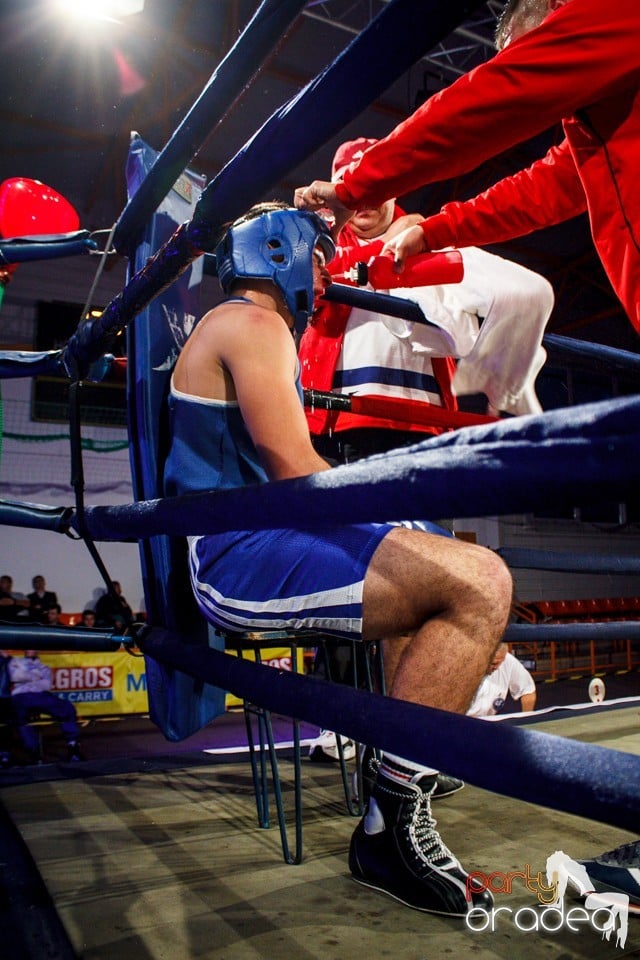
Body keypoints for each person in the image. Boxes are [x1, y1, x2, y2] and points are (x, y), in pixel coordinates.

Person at [163, 200, 513, 917]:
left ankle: (405, 760)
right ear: (281, 250)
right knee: (475, 580)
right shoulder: (251, 322)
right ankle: (390, 821)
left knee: (445, 562)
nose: (325, 276)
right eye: (318, 257)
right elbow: (296, 469)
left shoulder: (255, 329)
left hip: (272, 538)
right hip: (239, 559)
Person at [294, 0, 640, 335]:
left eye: (533, 50)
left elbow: (493, 99)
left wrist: (356, 187)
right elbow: (548, 188)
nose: (534, 65)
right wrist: (434, 232)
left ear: (555, 5)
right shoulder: (606, 118)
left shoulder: (611, 11)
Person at [300, 138, 554, 448]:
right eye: (354, 189)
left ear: (394, 190)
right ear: (337, 195)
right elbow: (300, 289)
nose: (365, 201)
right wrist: (378, 247)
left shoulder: (429, 236)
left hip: (423, 415)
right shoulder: (319, 244)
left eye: (375, 189)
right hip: (337, 415)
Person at [8, 650, 84, 763]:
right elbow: (14, 676)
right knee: (19, 716)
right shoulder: (16, 662)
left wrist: (27, 677)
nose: (30, 650)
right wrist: (36, 676)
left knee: (67, 708)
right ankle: (33, 752)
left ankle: (73, 747)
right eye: (28, 648)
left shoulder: (44, 667)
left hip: (41, 695)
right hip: (21, 696)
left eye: (33, 648)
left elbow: (46, 685)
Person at [467, 642, 537, 717]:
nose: (496, 667)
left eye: (499, 663)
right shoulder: (465, 664)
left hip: (489, 721)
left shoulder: (508, 661)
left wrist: (526, 719)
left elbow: (528, 690)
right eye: (493, 663)